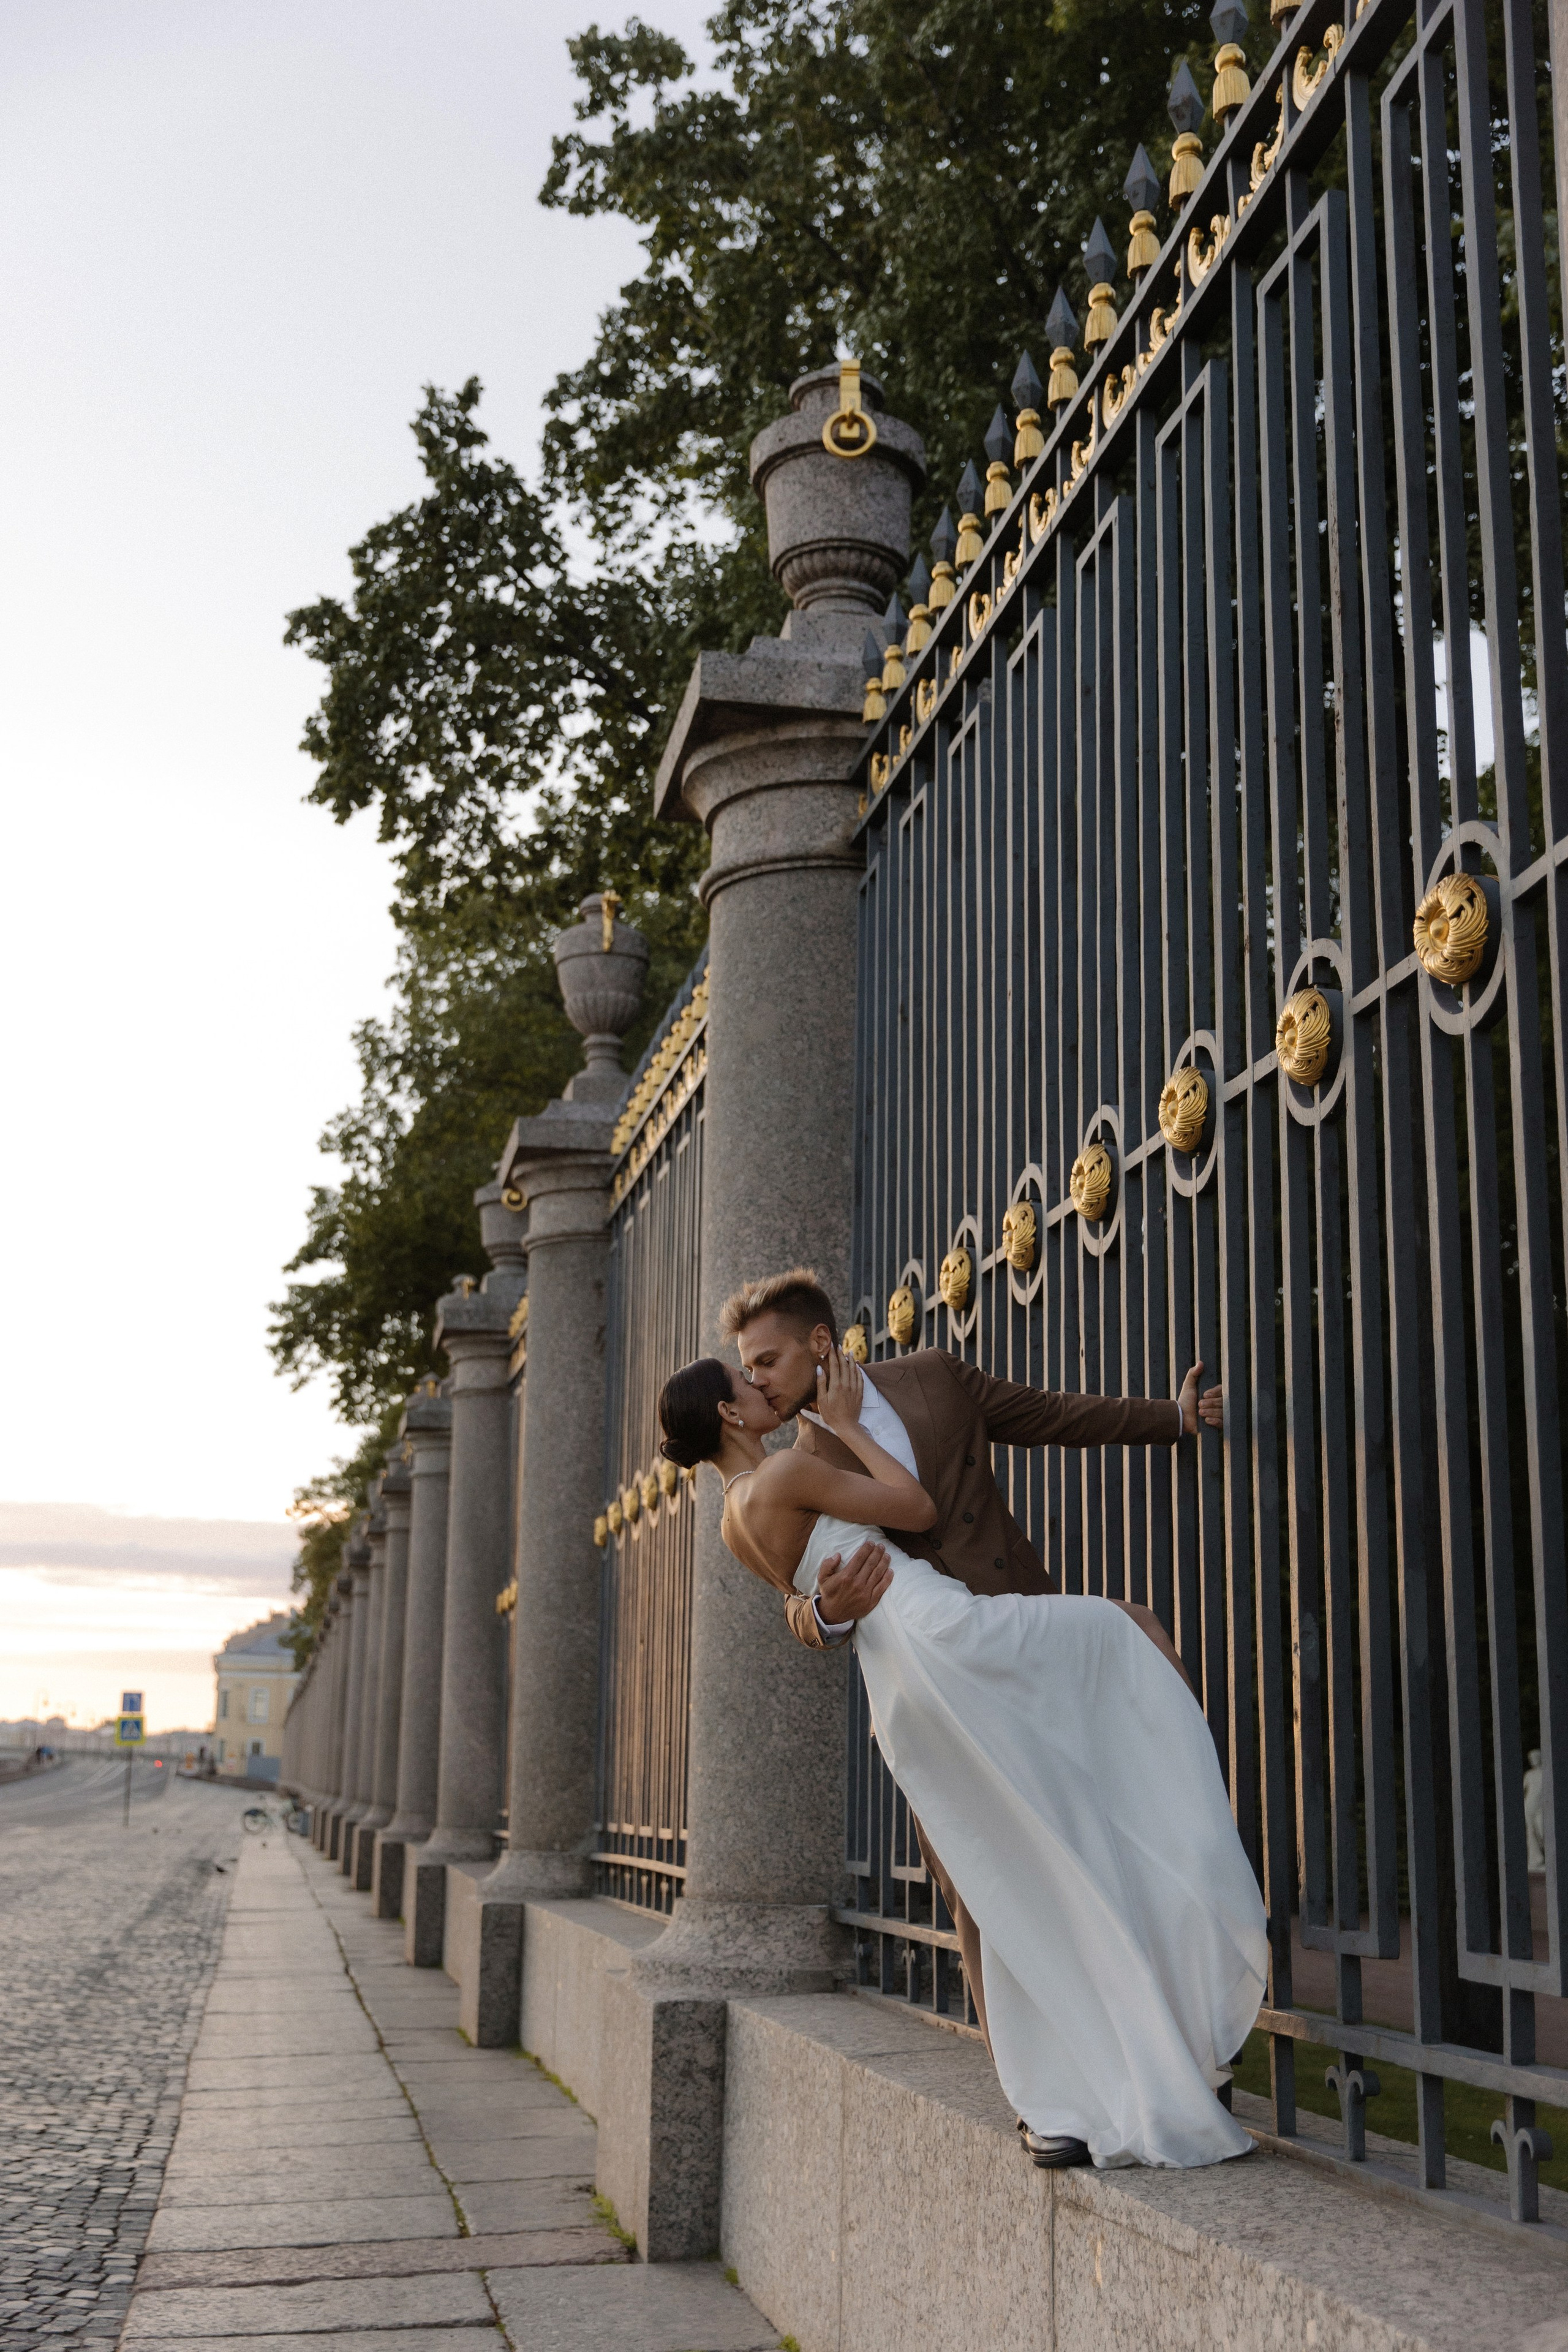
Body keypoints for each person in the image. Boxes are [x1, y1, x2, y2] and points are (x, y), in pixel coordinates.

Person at [657, 1314, 1267, 2173]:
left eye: (767, 1363)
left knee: (1040, 1847)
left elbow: (1048, 1415)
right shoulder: (800, 1458)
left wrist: (1168, 1417)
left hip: (905, 1676)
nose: (761, 1383)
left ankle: (1132, 2057)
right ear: (728, 1415)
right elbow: (910, 1511)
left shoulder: (737, 1513)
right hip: (942, 1634)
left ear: (818, 1343)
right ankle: (1053, 2098)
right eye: (746, 1378)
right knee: (1106, 1664)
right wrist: (831, 1568)